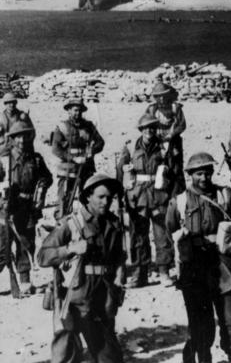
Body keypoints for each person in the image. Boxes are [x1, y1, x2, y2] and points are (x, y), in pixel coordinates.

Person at [166, 152, 231, 363]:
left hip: (222, 265)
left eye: (208, 172)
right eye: (199, 173)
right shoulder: (179, 203)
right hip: (194, 267)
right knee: (201, 322)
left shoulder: (226, 196)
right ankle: (201, 356)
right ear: (190, 175)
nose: (204, 178)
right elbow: (170, 233)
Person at [38, 173, 126, 363]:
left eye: (109, 198)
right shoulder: (71, 223)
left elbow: (119, 255)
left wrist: (120, 278)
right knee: (66, 354)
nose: (106, 201)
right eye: (100, 197)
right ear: (88, 197)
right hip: (74, 297)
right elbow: (43, 256)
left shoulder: (113, 223)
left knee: (109, 357)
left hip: (102, 296)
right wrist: (69, 249)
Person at [117, 114, 175, 288]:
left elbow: (172, 172)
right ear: (141, 130)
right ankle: (139, 274)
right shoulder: (130, 148)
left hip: (159, 196)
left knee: (162, 235)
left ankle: (164, 271)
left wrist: (172, 196)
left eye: (152, 127)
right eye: (145, 128)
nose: (149, 131)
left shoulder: (164, 148)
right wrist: (120, 195)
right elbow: (121, 172)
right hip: (137, 198)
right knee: (138, 237)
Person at [0, 121, 51, 296]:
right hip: (7, 207)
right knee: (3, 243)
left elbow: (47, 177)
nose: (21, 140)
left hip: (28, 207)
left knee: (25, 243)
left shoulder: (35, 159)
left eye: (25, 136)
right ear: (12, 139)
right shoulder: (3, 158)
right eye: (18, 137)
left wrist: (42, 186)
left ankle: (24, 281)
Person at [51, 97, 105, 219]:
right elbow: (56, 149)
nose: (78, 113)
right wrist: (73, 158)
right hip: (68, 169)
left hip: (86, 167)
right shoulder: (62, 127)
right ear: (69, 111)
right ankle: (62, 225)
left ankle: (87, 224)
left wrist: (92, 150)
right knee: (65, 198)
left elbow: (100, 142)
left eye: (80, 110)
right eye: (75, 110)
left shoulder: (89, 126)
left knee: (87, 198)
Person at [145, 82, 187, 196]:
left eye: (164, 95)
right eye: (159, 96)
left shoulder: (175, 108)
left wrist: (171, 135)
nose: (162, 98)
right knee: (155, 169)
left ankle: (177, 197)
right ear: (155, 97)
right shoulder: (151, 109)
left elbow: (182, 125)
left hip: (173, 144)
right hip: (156, 143)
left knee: (175, 170)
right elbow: (146, 124)